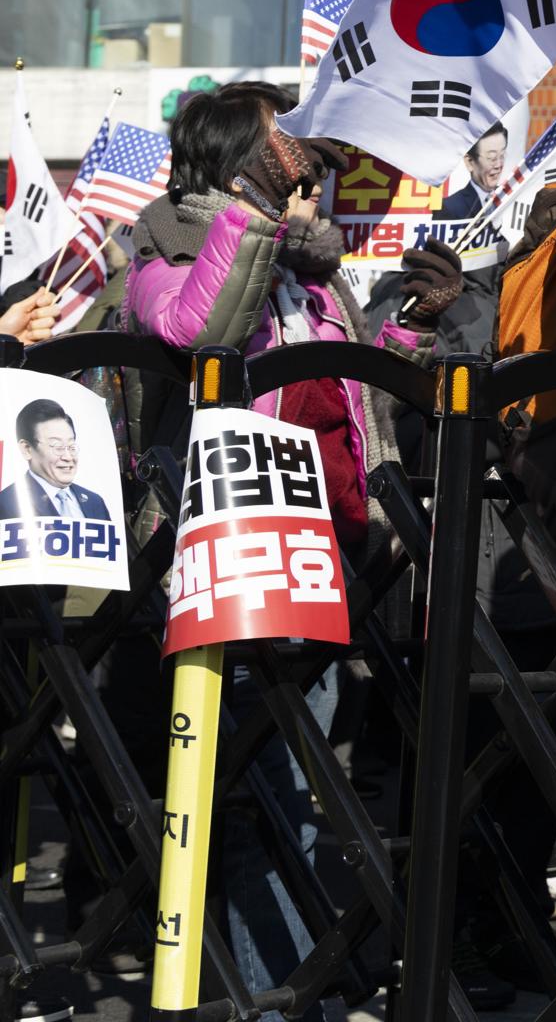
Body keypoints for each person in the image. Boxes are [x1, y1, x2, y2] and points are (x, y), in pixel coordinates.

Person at [123, 79, 459, 1021]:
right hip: (232, 557)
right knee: (256, 797)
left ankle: (287, 983)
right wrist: (247, 217)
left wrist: (408, 330)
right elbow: (202, 329)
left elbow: (346, 397)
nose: (306, 150)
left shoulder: (313, 272)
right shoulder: (164, 242)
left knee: (297, 793)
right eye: (284, 135)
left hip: (324, 558)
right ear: (238, 153)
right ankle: (273, 999)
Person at [0, 398, 111, 519]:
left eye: (71, 446)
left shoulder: (95, 502)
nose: (68, 457)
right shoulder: (7, 504)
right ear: (27, 449)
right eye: (57, 446)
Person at [437, 122, 509, 220]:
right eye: (492, 157)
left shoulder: (510, 197)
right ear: (470, 162)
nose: (499, 165)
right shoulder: (450, 208)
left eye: (502, 155)